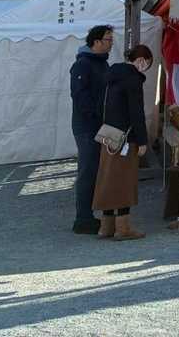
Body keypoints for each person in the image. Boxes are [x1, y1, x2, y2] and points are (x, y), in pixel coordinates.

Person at [92, 43, 153, 241]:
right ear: (141, 61)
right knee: (125, 183)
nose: (145, 68)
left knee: (107, 180)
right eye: (147, 64)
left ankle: (106, 227)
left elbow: (100, 105)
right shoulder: (133, 79)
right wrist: (142, 140)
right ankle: (123, 228)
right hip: (126, 138)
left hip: (108, 135)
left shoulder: (111, 75)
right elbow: (136, 112)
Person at [69, 24, 114, 234]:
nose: (111, 43)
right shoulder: (82, 65)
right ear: (96, 42)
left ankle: (95, 214)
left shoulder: (103, 64)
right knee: (88, 170)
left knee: (97, 170)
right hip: (87, 126)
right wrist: (96, 115)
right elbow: (80, 96)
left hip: (100, 125)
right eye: (108, 39)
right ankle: (83, 218)